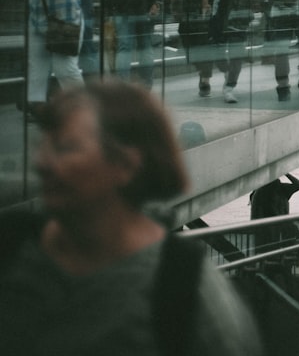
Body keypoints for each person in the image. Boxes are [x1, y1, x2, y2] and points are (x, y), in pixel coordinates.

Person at [0, 81, 262, 355]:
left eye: (65, 148)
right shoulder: (10, 244)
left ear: (125, 165)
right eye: (44, 145)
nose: (42, 162)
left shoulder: (183, 289)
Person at [249, 172, 299, 255]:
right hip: (270, 229)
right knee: (271, 249)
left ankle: (290, 255)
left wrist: (285, 173)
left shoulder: (281, 189)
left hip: (278, 226)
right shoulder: (265, 192)